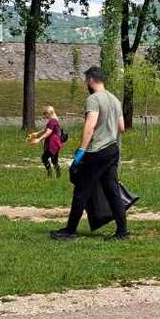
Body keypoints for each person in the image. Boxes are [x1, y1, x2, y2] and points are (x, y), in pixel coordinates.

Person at [51, 66, 127, 241]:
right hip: (112, 149)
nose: (86, 83)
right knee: (112, 189)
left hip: (96, 151)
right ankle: (122, 231)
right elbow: (121, 128)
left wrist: (81, 151)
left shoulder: (93, 99)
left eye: (87, 80)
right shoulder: (115, 100)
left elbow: (90, 125)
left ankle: (70, 231)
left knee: (81, 190)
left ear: (91, 80)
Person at [29, 105, 63, 178]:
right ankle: (56, 176)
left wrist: (38, 139)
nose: (44, 115)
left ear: (49, 113)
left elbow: (48, 132)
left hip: (53, 144)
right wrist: (37, 134)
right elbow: (46, 129)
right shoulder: (53, 120)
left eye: (45, 113)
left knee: (46, 158)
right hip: (54, 143)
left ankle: (51, 175)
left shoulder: (52, 121)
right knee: (53, 160)